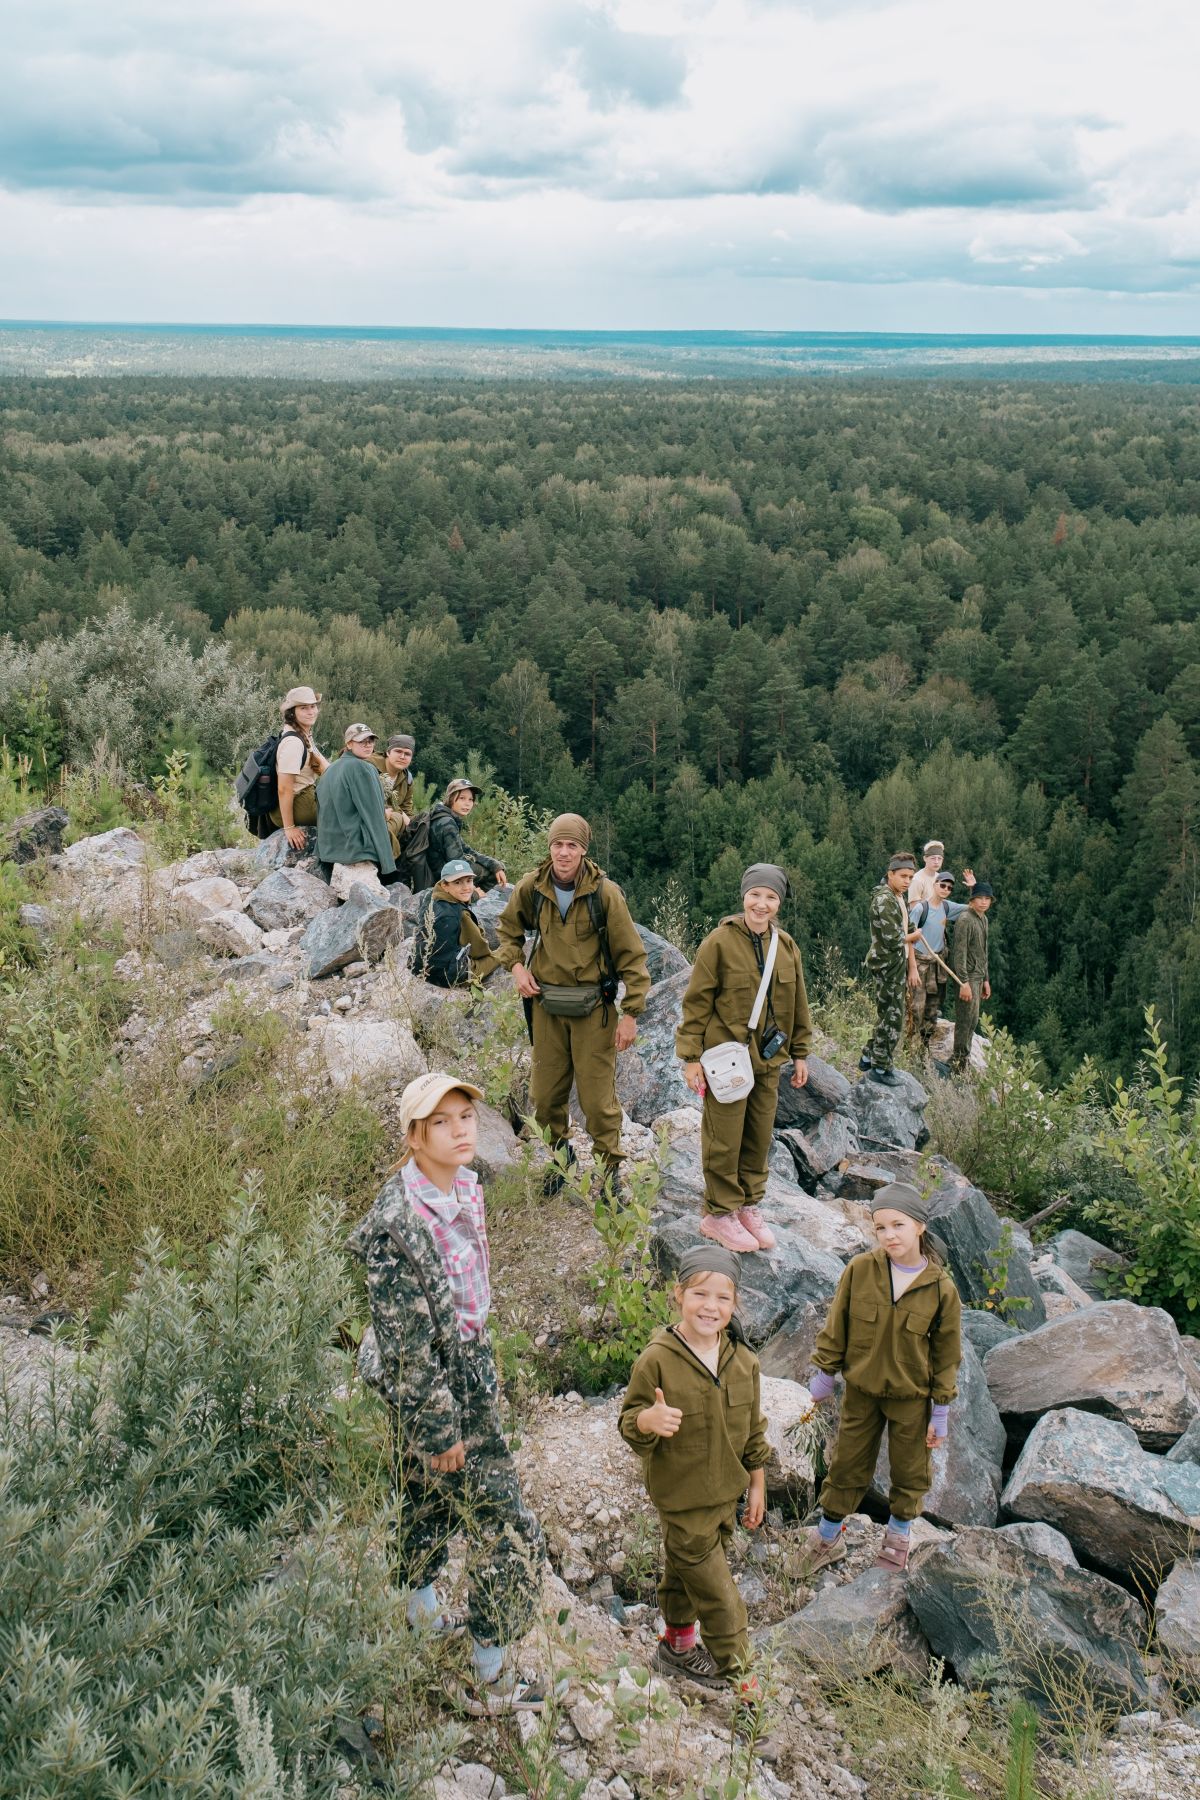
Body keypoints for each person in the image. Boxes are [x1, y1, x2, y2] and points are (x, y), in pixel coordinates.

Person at [347, 1072, 549, 1713]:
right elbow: (408, 1347)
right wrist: (442, 1432)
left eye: (466, 1116)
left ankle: (418, 1616)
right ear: (414, 1136)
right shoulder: (396, 1225)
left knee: (424, 1501)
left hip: (466, 1365)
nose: (461, 1129)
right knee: (509, 1529)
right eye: (442, 1121)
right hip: (434, 1386)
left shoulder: (464, 1183)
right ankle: (488, 1677)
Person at [618, 1243, 770, 1710]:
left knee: (683, 1576)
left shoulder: (744, 1362)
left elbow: (753, 1428)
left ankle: (677, 1648)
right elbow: (629, 1421)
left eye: (722, 1298)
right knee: (722, 1600)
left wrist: (757, 1481)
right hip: (682, 1500)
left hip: (725, 1496)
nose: (711, 1307)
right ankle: (750, 1701)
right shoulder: (657, 1359)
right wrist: (648, 1422)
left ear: (735, 1304)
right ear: (678, 1294)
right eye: (700, 1294)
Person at [802, 1183, 962, 1574]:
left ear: (920, 1226)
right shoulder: (860, 1270)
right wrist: (825, 1374)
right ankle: (828, 1537)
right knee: (846, 1464)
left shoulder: (941, 1289)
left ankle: (898, 1537)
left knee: (910, 1470)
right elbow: (836, 1325)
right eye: (881, 1228)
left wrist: (940, 1411)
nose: (890, 1235)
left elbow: (946, 1355)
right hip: (860, 1392)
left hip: (911, 1399)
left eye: (898, 1225)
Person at [497, 813, 649, 1196]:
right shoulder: (533, 887)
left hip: (594, 1010)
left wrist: (630, 1014)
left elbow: (632, 957)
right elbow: (507, 930)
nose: (564, 853)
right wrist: (517, 967)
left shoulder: (604, 894)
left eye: (572, 846)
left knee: (597, 1102)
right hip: (547, 1005)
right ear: (550, 847)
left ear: (584, 849)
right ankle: (561, 1161)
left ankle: (610, 1169)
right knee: (546, 1097)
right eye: (558, 845)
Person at [676, 864, 812, 1254]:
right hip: (725, 1060)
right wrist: (691, 1058)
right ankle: (719, 1214)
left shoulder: (785, 946)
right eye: (756, 895)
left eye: (770, 897)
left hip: (768, 1061)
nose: (762, 904)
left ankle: (749, 1204)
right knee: (724, 1137)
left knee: (757, 1136)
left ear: (779, 903)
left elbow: (798, 1004)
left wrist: (800, 1052)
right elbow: (697, 1003)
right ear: (743, 896)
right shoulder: (718, 942)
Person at [315, 723, 397, 900]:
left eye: (371, 740)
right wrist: (388, 865)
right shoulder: (363, 768)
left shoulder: (329, 770)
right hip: (354, 849)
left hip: (328, 850)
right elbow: (374, 816)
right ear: (349, 744)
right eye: (362, 741)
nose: (368, 745)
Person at [860, 855, 921, 1086]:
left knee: (888, 1013)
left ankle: (869, 1055)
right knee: (893, 1017)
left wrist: (913, 931)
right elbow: (892, 938)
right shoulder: (884, 900)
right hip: (888, 965)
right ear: (890, 874)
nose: (907, 881)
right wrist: (912, 937)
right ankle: (881, 1068)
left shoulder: (898, 897)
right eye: (903, 876)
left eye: (911, 877)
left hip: (896, 963)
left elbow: (905, 926)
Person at [907, 868, 975, 1049]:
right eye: (942, 885)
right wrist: (912, 969)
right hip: (920, 963)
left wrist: (972, 888)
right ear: (934, 885)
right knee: (916, 1008)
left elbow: (974, 907)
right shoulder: (921, 908)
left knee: (933, 1008)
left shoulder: (947, 907)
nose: (945, 889)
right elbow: (908, 939)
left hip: (938, 964)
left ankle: (924, 1049)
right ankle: (908, 1048)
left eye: (949, 887)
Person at [410, 859, 502, 988]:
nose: (466, 887)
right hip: (448, 976)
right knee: (504, 953)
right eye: (457, 882)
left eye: (469, 881)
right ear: (445, 885)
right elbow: (479, 951)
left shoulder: (431, 897)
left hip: (420, 967)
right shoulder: (459, 915)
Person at [270, 685, 330, 850]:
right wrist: (289, 827)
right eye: (304, 708)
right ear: (292, 713)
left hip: (303, 798)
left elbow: (326, 769)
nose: (311, 712)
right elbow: (284, 788)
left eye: (313, 706)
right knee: (349, 813)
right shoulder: (293, 743)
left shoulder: (303, 735)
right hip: (298, 803)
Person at [426, 780, 507, 895]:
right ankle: (470, 900)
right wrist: (474, 895)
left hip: (442, 872)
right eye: (462, 798)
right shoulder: (447, 823)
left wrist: (495, 865)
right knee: (491, 875)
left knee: (492, 869)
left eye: (471, 799)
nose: (467, 803)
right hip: (441, 877)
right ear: (450, 799)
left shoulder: (444, 817)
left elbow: (466, 849)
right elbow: (457, 864)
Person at [950, 883, 994, 1072]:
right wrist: (963, 983)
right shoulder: (965, 919)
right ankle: (958, 1064)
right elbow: (959, 953)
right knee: (965, 1020)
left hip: (978, 976)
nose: (984, 902)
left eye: (987, 899)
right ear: (972, 900)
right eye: (980, 898)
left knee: (974, 1019)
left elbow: (983, 951)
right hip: (966, 977)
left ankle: (963, 1059)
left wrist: (986, 979)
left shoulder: (983, 919)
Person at [374, 733, 416, 860]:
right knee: (397, 817)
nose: (402, 756)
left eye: (407, 754)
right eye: (398, 751)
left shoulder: (407, 779)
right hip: (370, 818)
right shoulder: (370, 766)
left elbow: (407, 810)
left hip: (391, 822)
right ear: (388, 752)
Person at [907, 841, 947, 908]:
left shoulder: (940, 878)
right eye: (933, 858)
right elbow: (914, 909)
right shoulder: (917, 879)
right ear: (925, 858)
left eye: (939, 858)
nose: (936, 862)